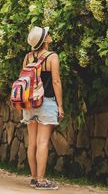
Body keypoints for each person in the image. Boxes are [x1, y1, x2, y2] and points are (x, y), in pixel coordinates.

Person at [20, 26, 64, 190]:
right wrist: (60, 106)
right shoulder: (52, 57)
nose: (50, 35)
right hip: (46, 102)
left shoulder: (27, 57)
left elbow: (23, 79)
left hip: (29, 102)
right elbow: (56, 82)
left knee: (32, 143)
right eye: (47, 34)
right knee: (43, 142)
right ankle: (41, 180)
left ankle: (34, 177)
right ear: (44, 40)